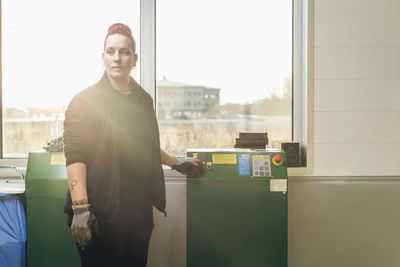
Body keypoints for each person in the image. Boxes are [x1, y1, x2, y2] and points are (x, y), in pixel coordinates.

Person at [63, 23, 204, 267]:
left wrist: (174, 162)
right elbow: (76, 156)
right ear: (103, 57)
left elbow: (142, 144)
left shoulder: (142, 100)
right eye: (110, 52)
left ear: (134, 58)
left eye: (124, 52)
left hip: (137, 213)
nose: (117, 58)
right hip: (98, 214)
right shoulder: (84, 101)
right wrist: (81, 208)